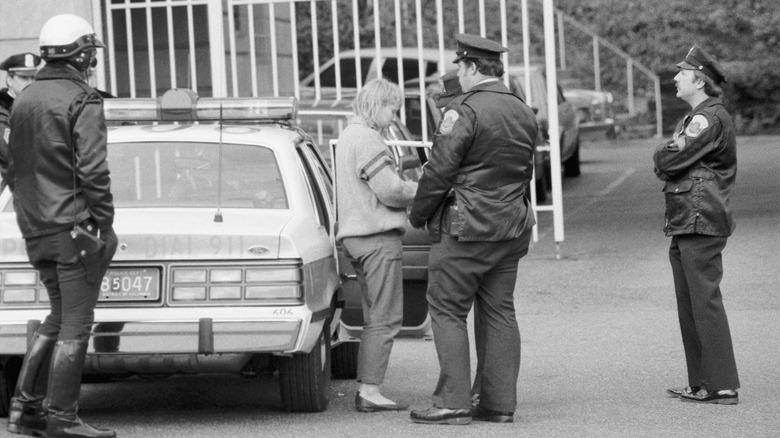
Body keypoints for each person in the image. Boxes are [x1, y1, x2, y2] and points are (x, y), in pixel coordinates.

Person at [408, 33, 537, 425]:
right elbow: (527, 169)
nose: (456, 76)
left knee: (446, 309)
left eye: (458, 68)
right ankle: (498, 405)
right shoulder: (523, 109)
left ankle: (453, 401)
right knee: (500, 312)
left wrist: (419, 214)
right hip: (512, 225)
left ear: (470, 67)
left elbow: (440, 169)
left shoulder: (464, 111)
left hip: (467, 226)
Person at [5, 14, 118, 438]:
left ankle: (25, 411)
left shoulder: (24, 98)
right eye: (92, 52)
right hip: (74, 226)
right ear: (83, 53)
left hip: (35, 226)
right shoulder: (82, 98)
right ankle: (62, 419)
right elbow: (93, 171)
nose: (94, 60)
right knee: (76, 322)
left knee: (57, 315)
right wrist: (104, 225)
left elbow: (14, 168)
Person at [653, 44, 740, 405]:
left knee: (703, 301)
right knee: (691, 303)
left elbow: (670, 161)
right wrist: (668, 153)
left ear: (700, 81)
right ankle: (704, 381)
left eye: (683, 74)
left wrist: (664, 153)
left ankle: (720, 384)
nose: (675, 78)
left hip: (699, 218)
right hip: (689, 218)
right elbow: (672, 158)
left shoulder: (707, 117)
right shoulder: (700, 115)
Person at [335, 77, 418, 413]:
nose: (395, 115)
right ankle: (370, 390)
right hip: (377, 238)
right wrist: (418, 189)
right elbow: (389, 190)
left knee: (373, 316)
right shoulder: (369, 140)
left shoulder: (347, 135)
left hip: (353, 237)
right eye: (392, 107)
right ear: (377, 104)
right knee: (385, 317)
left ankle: (368, 386)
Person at [0, 52, 41, 191]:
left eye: (33, 78)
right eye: (24, 78)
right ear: (10, 81)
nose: (30, 83)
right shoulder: (2, 113)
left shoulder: (39, 109)